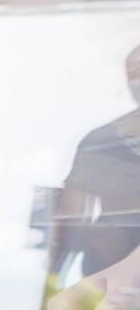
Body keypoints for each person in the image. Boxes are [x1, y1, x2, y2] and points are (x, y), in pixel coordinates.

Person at [56, 44, 140, 279]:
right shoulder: (102, 140)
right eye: (134, 80)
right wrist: (53, 278)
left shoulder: (102, 139)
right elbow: (71, 214)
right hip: (112, 266)